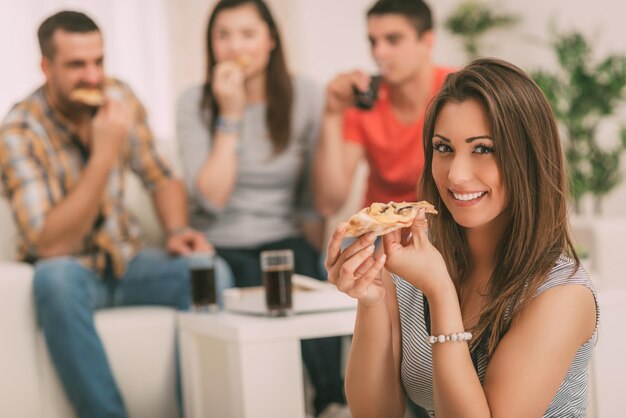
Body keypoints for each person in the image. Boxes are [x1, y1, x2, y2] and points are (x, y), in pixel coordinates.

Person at [325, 58, 599, 417]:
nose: (456, 174)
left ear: (528, 158)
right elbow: (375, 413)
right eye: (444, 148)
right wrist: (372, 299)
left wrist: (440, 293)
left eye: (483, 149)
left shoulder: (561, 295)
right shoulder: (413, 263)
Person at [0, 11, 232, 418]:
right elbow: (50, 243)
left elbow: (160, 177)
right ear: (45, 67)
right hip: (72, 272)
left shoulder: (118, 97)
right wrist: (104, 154)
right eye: (76, 65)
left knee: (209, 271)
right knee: (53, 279)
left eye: (98, 61)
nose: (92, 76)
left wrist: (177, 230)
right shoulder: (19, 130)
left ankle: (197, 410)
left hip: (131, 262)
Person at [175, 1, 348, 417]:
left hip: (283, 237)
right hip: (221, 241)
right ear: (210, 44)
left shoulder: (305, 94)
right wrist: (230, 115)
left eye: (247, 34)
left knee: (306, 271)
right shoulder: (194, 102)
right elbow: (212, 197)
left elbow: (321, 200)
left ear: (270, 40)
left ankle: (332, 402)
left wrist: (332, 117)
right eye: (223, 35)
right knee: (259, 278)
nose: (235, 46)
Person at [314, 0, 455, 217]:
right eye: (373, 41)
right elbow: (328, 204)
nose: (379, 53)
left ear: (427, 41)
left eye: (393, 40)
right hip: (382, 230)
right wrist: (332, 115)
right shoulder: (364, 101)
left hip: (444, 226)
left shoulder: (457, 92)